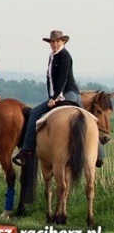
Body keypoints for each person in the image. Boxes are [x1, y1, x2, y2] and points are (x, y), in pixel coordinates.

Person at [11, 31, 101, 167]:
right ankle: (27, 150)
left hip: (69, 93)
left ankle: (99, 154)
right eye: (52, 42)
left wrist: (54, 97)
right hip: (55, 95)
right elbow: (50, 80)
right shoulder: (52, 56)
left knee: (87, 119)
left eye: (58, 41)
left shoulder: (64, 55)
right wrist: (51, 96)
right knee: (34, 113)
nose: (54, 44)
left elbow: (63, 79)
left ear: (63, 42)